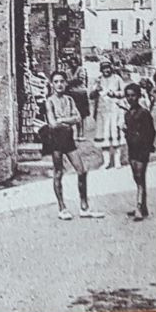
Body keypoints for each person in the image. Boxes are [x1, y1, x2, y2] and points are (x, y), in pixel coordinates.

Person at [42, 71, 103, 220]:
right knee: (58, 173)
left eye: (62, 81)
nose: (59, 84)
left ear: (66, 83)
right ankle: (62, 208)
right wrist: (65, 120)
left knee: (81, 170)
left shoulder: (69, 99)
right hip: (55, 140)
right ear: (52, 84)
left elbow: (77, 117)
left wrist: (62, 119)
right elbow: (52, 123)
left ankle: (84, 207)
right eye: (56, 82)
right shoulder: (49, 101)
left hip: (68, 138)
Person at [122, 83, 156, 221]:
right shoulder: (127, 114)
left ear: (138, 96)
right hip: (132, 148)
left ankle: (139, 207)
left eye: (133, 95)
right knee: (137, 178)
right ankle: (143, 207)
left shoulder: (144, 113)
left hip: (142, 149)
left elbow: (151, 132)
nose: (131, 98)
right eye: (128, 96)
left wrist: (148, 146)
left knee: (140, 176)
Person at [92, 62, 128, 168]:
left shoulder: (117, 78)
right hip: (102, 112)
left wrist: (115, 94)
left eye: (108, 68)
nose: (106, 70)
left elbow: (125, 92)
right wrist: (95, 90)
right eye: (104, 68)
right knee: (104, 138)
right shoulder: (98, 80)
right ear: (101, 70)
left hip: (115, 110)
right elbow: (91, 95)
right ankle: (106, 162)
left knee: (115, 135)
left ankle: (117, 161)